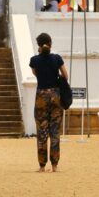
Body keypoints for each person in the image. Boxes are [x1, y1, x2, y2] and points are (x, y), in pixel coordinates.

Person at [29, 31, 67, 172]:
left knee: (42, 132)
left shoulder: (34, 60)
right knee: (55, 132)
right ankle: (55, 165)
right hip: (56, 96)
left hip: (41, 97)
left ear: (39, 45)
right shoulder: (57, 58)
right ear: (51, 44)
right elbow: (65, 75)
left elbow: (36, 74)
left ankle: (42, 165)